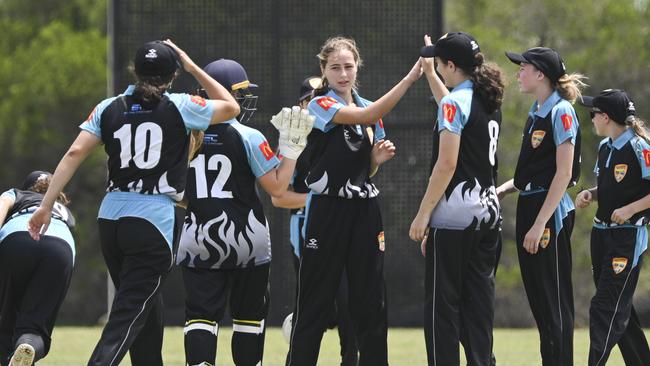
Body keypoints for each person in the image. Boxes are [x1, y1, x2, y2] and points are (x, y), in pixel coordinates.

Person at [27, 39, 240, 366]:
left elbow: (74, 153)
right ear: (173, 74)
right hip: (153, 221)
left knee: (145, 307)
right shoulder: (182, 105)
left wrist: (45, 206)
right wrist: (192, 64)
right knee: (128, 314)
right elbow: (230, 106)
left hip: (111, 219)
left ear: (136, 71)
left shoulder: (108, 106)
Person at [285, 36, 421, 366]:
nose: (343, 74)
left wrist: (374, 159)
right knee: (314, 304)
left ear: (357, 67)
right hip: (327, 209)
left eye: (349, 66)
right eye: (335, 68)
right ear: (324, 70)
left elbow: (366, 171)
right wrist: (411, 77)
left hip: (364, 211)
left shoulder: (367, 107)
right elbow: (368, 114)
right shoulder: (321, 104)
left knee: (371, 302)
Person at [176, 59, 313, 366]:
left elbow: (177, 194)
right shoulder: (249, 136)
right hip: (247, 239)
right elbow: (277, 189)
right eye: (239, 93)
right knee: (248, 319)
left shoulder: (183, 136)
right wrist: (292, 146)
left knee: (199, 318)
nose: (244, 100)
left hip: (198, 236)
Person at [409, 32, 504, 366]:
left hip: (455, 218)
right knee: (479, 305)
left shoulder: (454, 104)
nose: (436, 65)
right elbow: (452, 106)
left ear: (451, 65)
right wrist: (432, 77)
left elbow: (447, 164)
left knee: (442, 308)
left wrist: (424, 215)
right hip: (488, 216)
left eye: (438, 62)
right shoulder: (487, 98)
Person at [497, 47, 585, 365]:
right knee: (540, 304)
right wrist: (505, 189)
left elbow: (563, 173)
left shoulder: (561, 111)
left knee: (554, 302)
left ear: (541, 74)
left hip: (550, 214)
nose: (519, 72)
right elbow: (536, 170)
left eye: (524, 67)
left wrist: (540, 224)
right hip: (531, 205)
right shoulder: (537, 111)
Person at [574, 89, 650, 366]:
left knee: (604, 308)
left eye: (593, 114)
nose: (591, 118)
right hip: (601, 235)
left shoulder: (640, 147)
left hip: (627, 238)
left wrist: (630, 210)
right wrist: (591, 194)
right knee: (619, 308)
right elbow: (611, 187)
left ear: (605, 117)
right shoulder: (606, 146)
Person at [0, 171, 75, 366]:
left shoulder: (17, 193)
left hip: (19, 238)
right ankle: (28, 344)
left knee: (5, 317)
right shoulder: (65, 211)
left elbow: (2, 205)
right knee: (34, 326)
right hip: (60, 249)